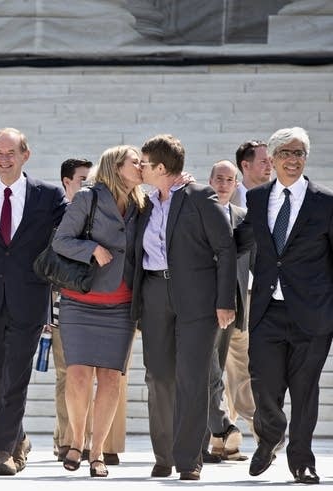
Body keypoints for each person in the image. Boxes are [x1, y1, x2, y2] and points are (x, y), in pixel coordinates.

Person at [131, 134, 237, 481]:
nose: (141, 168)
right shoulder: (144, 201)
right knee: (159, 376)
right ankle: (164, 455)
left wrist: (225, 301)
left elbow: (225, 248)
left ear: (161, 167)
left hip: (197, 299)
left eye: (145, 163)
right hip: (153, 293)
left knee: (192, 378)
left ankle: (188, 458)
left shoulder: (199, 196)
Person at [237, 127, 333, 485]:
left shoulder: (325, 202)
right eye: (287, 154)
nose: (293, 161)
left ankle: (302, 461)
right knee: (263, 384)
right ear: (273, 159)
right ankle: (272, 432)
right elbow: (243, 240)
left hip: (312, 314)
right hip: (267, 311)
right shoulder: (258, 199)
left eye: (300, 154)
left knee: (306, 390)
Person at [0, 127, 67, 476]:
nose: (4, 158)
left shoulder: (47, 194)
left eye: (11, 152)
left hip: (29, 297)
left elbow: (73, 223)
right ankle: (19, 437)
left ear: (26, 155)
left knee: (17, 376)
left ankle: (5, 450)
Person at [52, 145, 144, 478]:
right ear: (116, 167)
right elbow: (61, 241)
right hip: (82, 300)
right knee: (77, 376)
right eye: (135, 162)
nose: (141, 166)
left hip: (121, 305)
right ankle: (77, 441)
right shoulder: (88, 198)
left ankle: (98, 451)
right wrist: (92, 248)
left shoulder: (140, 202)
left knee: (109, 380)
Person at [202, 159, 253, 463]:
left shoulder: (243, 218)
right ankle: (223, 427)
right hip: (200, 305)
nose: (222, 185)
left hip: (231, 307)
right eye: (218, 179)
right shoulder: (195, 215)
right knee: (208, 373)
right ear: (209, 181)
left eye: (228, 180)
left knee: (218, 371)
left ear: (236, 186)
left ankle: (217, 442)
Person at [231, 140, 272, 208]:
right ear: (246, 165)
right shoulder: (228, 198)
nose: (270, 167)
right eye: (263, 162)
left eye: (271, 161)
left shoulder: (281, 197)